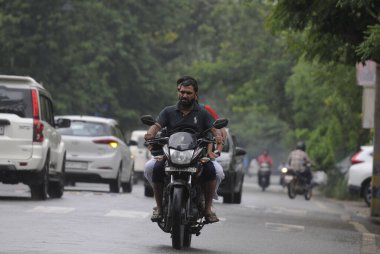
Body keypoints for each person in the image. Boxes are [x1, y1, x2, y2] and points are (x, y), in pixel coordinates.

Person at [144, 77, 224, 223]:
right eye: (182, 92)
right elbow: (156, 126)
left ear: (195, 95)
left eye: (188, 93)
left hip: (196, 155)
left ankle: (207, 208)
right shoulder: (168, 111)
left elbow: (214, 129)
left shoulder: (203, 113)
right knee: (153, 168)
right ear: (178, 93)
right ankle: (159, 206)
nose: (184, 95)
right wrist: (150, 134)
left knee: (213, 171)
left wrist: (218, 137)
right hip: (171, 153)